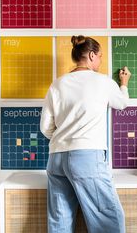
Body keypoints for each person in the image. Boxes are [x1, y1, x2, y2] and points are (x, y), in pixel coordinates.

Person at [40, 35, 131, 233]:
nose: (100, 61)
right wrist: (124, 83)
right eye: (99, 56)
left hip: (56, 158)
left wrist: (63, 139)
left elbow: (45, 127)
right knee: (108, 218)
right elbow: (122, 103)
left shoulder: (57, 84)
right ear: (91, 55)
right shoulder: (103, 82)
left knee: (59, 220)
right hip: (87, 158)